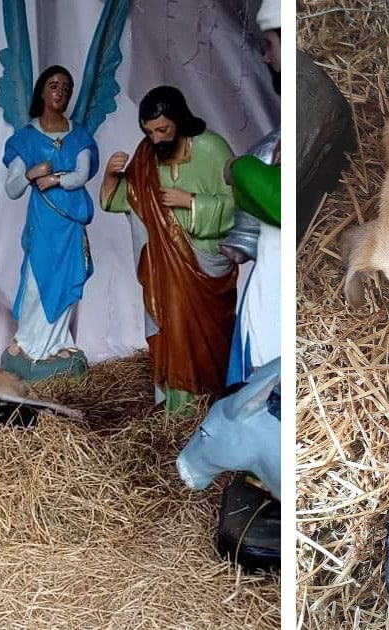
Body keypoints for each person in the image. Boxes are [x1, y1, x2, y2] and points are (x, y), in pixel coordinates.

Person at [101, 86, 237, 412]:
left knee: (208, 340)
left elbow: (239, 204)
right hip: (165, 269)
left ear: (179, 120)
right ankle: (179, 408)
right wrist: (109, 176)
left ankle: (209, 403)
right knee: (171, 322)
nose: (156, 139)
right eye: (149, 132)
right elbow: (121, 199)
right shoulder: (147, 156)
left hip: (204, 265)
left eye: (162, 130)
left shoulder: (212, 148)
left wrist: (191, 202)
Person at [0, 64, 99, 381]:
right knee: (35, 283)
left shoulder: (80, 135)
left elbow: (82, 174)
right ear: (42, 90)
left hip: (70, 222)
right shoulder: (26, 138)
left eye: (67, 88)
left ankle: (57, 343)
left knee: (68, 277)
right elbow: (12, 188)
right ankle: (29, 345)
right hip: (43, 223)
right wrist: (32, 173)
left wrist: (54, 178)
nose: (61, 92)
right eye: (54, 85)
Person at [221, 0, 283, 385]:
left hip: (277, 284)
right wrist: (236, 244)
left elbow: (273, 197)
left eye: (271, 45)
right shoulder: (269, 145)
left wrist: (238, 170)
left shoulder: (265, 153)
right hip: (268, 275)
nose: (266, 57)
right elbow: (252, 222)